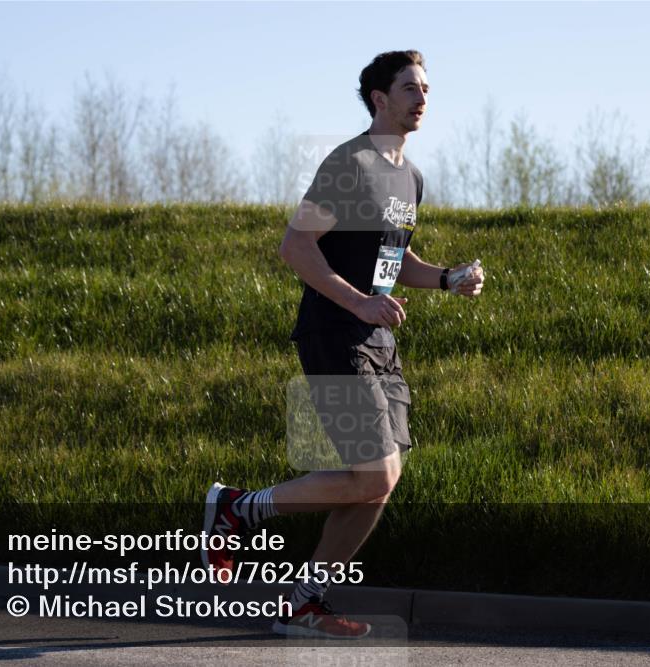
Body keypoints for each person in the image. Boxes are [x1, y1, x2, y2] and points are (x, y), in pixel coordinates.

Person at [202, 49, 484, 639]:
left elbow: (392, 256)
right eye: (410, 88)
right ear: (380, 99)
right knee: (374, 475)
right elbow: (296, 246)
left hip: (379, 337)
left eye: (427, 87)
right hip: (335, 332)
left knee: (378, 481)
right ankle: (236, 509)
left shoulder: (410, 176)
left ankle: (303, 603)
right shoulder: (348, 163)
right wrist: (356, 302)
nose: (423, 97)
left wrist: (444, 277)